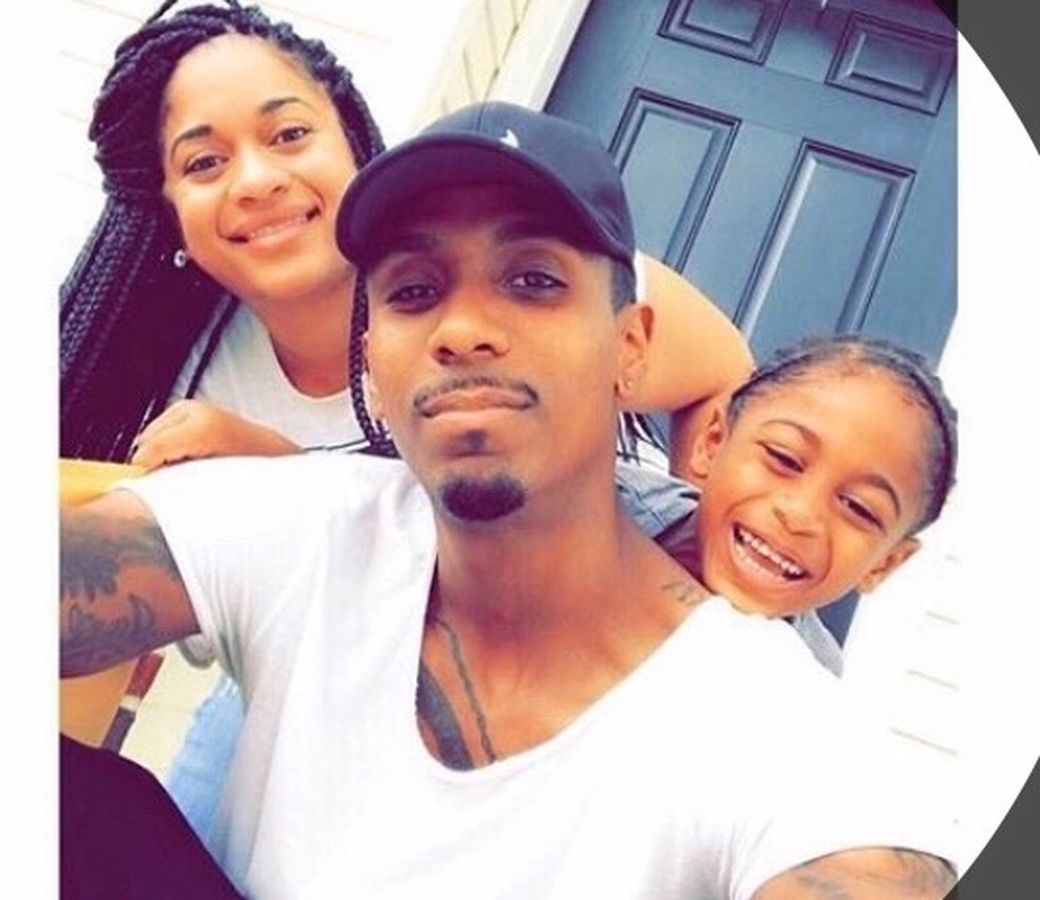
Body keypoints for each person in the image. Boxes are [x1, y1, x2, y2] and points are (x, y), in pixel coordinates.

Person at [60, 101, 956, 898]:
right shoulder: (312, 521)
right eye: (415, 291)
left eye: (534, 281)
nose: (463, 331)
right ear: (373, 357)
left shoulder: (776, 722)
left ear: (631, 348)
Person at [57, 0, 754, 834]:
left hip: (575, 654)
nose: (256, 179)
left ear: (351, 141)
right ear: (167, 209)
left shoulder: (547, 276)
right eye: (205, 162)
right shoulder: (184, 381)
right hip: (336, 673)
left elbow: (727, 380)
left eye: (289, 135)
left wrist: (706, 560)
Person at [624, 334, 958, 674]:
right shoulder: (602, 503)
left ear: (884, 564)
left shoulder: (802, 687)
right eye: (784, 458)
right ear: (713, 442)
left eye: (859, 508)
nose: (800, 515)